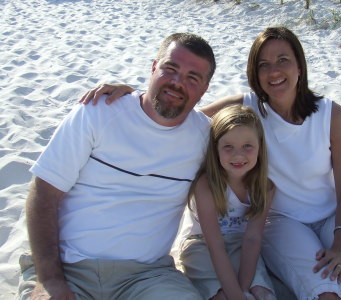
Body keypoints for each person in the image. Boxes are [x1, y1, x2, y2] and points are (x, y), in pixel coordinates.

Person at [79, 27, 341, 299]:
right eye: (263, 64)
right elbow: (181, 116)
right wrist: (135, 97)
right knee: (324, 290)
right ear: (254, 74)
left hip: (334, 215)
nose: (274, 72)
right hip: (281, 220)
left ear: (300, 66)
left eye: (283, 60)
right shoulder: (247, 108)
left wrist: (340, 244)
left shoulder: (331, 115)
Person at [20, 32, 216, 300]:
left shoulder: (204, 137)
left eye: (193, 78)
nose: (177, 82)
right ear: (153, 67)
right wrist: (50, 280)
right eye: (170, 69)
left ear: (205, 89)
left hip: (147, 277)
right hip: (68, 268)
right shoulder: (99, 111)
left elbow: (246, 116)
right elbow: (43, 192)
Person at [179, 105, 276, 300]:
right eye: (228, 147)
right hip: (201, 245)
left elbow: (253, 238)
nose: (238, 155)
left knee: (260, 292)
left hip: (241, 242)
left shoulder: (264, 187)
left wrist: (243, 288)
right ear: (216, 149)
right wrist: (235, 294)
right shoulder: (207, 185)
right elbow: (214, 243)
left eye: (247, 146)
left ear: (260, 147)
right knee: (222, 295)